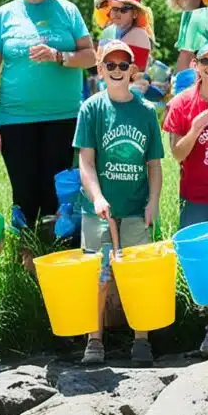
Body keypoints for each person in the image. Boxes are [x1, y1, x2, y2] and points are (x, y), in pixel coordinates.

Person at [0, 0, 95, 262]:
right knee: (25, 194)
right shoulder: (4, 14)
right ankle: (28, 267)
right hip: (15, 120)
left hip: (63, 118)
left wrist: (59, 56)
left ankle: (61, 261)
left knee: (60, 195)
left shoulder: (67, 11)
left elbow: (91, 55)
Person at [74, 41, 164, 366]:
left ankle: (141, 339)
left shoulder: (145, 111)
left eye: (122, 65)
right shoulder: (92, 109)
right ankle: (94, 339)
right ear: (100, 70)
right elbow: (85, 162)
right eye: (109, 65)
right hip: (99, 209)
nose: (116, 71)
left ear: (132, 70)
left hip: (137, 207)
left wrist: (153, 202)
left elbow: (154, 164)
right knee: (97, 276)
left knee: (138, 274)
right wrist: (97, 196)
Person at [162, 43, 208, 355]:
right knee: (206, 260)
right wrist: (194, 129)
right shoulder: (181, 104)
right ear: (195, 64)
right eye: (206, 61)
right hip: (197, 195)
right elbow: (176, 153)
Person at [94, 0, 155, 70]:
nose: (117, 13)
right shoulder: (107, 32)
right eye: (113, 8)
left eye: (124, 9)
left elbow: (136, 73)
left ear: (135, 13)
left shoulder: (139, 34)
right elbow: (100, 66)